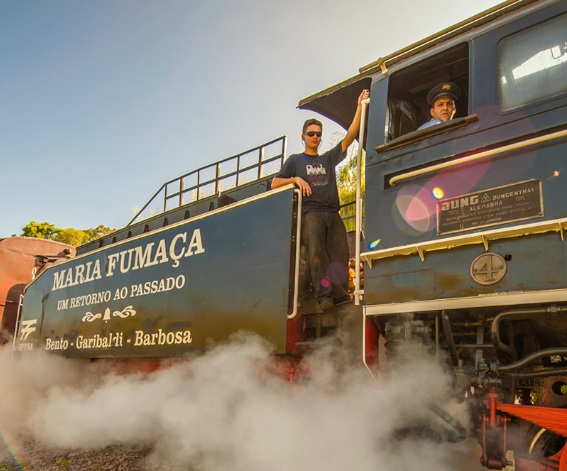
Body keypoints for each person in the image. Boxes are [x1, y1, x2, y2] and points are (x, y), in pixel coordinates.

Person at [272, 89, 370, 312]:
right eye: (311, 133)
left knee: (340, 253)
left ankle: (340, 293)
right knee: (316, 252)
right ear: (303, 137)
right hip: (311, 212)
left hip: (332, 212)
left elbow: (349, 137)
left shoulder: (327, 158)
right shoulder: (295, 160)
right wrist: (295, 179)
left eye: (318, 134)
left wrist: (359, 106)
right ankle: (324, 296)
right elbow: (275, 183)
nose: (315, 137)